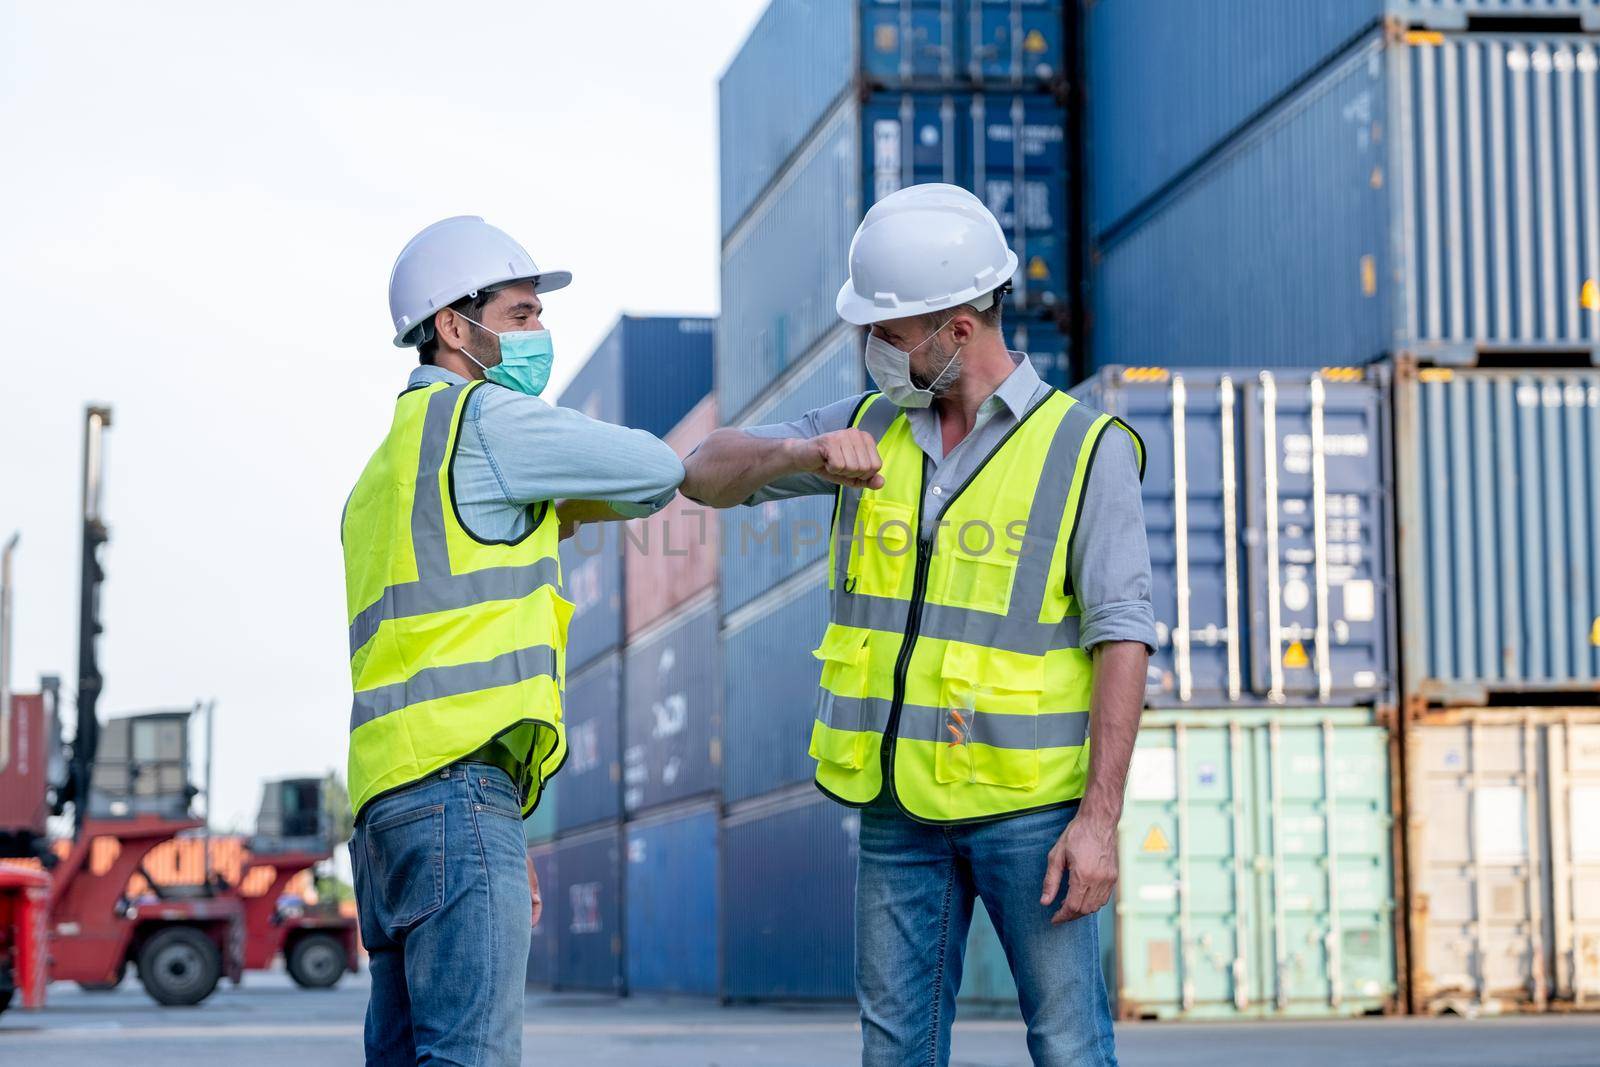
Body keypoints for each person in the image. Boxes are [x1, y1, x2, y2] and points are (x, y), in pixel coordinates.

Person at [682, 184, 1154, 1067]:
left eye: (889, 337)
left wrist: (1099, 820)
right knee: (894, 1050)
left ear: (959, 330)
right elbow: (700, 473)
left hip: (1031, 814)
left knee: (1069, 1043)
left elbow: (1122, 637)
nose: (872, 353)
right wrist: (799, 452)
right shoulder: (863, 427)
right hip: (896, 810)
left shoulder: (1084, 450)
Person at [342, 216, 683, 1065]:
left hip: (386, 816)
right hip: (461, 800)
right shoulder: (487, 422)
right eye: (523, 314)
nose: (540, 335)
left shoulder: (375, 479)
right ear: (456, 328)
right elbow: (654, 468)